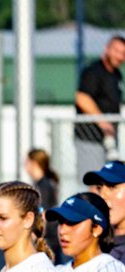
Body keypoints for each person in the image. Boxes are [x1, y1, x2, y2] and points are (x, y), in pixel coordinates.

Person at [74, 36, 125, 178]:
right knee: (94, 182)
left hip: (108, 140)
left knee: (111, 180)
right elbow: (82, 98)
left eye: (123, 53)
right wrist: (102, 121)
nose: (120, 56)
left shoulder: (116, 75)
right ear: (107, 49)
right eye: (116, 51)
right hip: (90, 138)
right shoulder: (93, 71)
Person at [26, 148, 63, 260]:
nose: (25, 166)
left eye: (27, 162)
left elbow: (43, 212)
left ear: (34, 163)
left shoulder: (44, 185)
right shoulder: (40, 184)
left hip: (48, 238)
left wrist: (34, 234)